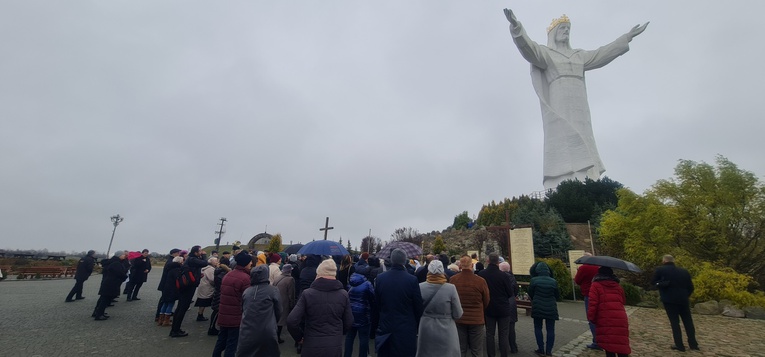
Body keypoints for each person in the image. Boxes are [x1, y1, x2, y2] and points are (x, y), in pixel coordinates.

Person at [503, 9, 649, 190]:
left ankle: (588, 179)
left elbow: (602, 54)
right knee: (563, 135)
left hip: (580, 103)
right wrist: (516, 27)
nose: (566, 32)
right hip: (559, 101)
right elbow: (528, 49)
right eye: (562, 29)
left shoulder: (579, 55)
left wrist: (627, 37)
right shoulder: (547, 54)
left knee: (584, 136)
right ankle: (563, 181)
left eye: (568, 29)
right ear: (554, 34)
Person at [288, 258, 353, 356]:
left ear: (318, 273)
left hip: (311, 344)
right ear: (334, 274)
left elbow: (291, 321)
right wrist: (338, 332)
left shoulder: (307, 294)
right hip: (334, 346)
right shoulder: (343, 294)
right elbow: (349, 321)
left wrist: (299, 337)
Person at [374, 248, 424, 357]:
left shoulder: (380, 278)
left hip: (386, 328)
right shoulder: (412, 280)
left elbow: (377, 304)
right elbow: (418, 306)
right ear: (404, 261)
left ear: (391, 260)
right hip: (406, 329)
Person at [651, 255, 699, 352]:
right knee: (688, 322)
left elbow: (653, 282)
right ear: (673, 261)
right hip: (683, 299)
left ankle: (679, 345)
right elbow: (691, 287)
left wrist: (661, 285)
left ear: (664, 261)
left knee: (674, 322)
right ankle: (693, 344)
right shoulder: (684, 271)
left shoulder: (660, 270)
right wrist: (686, 295)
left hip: (669, 300)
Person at [416, 260, 463, 357]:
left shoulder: (420, 287)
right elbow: (458, 313)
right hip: (446, 327)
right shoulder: (451, 288)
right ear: (442, 271)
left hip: (426, 326)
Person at [236, 264, 282, 357]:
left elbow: (243, 309)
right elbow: (279, 310)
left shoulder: (247, 291)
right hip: (267, 329)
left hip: (247, 330)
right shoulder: (273, 290)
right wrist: (273, 322)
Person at [213, 251, 253, 356]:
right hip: (235, 315)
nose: (251, 264)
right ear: (246, 263)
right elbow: (247, 298)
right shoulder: (245, 278)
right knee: (232, 344)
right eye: (250, 262)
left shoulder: (228, 274)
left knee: (221, 341)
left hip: (224, 313)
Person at [451, 255, 490, 357]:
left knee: (460, 348)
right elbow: (486, 300)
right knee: (477, 349)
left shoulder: (453, 280)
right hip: (476, 319)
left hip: (459, 318)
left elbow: (450, 300)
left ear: (460, 266)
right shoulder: (480, 281)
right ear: (472, 265)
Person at [478, 253, 516, 357]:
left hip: (488, 308)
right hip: (503, 308)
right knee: (503, 334)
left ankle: (491, 355)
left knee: (490, 334)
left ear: (488, 261)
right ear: (498, 262)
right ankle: (504, 354)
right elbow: (510, 292)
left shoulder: (482, 274)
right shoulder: (503, 275)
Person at [588, 266, 630, 357]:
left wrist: (591, 317)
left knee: (609, 345)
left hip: (605, 318)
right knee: (621, 343)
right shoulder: (617, 286)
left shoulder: (595, 285)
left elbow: (593, 303)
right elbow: (623, 300)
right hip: (620, 317)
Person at [170, 245, 208, 337]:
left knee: (180, 307)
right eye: (200, 251)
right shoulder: (192, 259)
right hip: (188, 286)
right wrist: (204, 256)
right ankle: (175, 330)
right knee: (182, 307)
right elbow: (204, 263)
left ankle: (175, 329)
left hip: (186, 285)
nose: (201, 252)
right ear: (195, 252)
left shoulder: (190, 259)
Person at [528, 261, 560, 356]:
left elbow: (530, 293)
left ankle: (540, 348)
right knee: (551, 330)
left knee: (538, 328)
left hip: (538, 306)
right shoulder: (553, 281)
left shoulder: (534, 280)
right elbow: (557, 295)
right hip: (551, 307)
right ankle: (549, 350)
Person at [344, 271, 375, 357]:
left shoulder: (350, 283)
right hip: (364, 313)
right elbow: (373, 298)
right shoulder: (367, 284)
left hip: (351, 312)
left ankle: (347, 355)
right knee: (364, 338)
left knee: (349, 337)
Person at [575, 256, 602, 350]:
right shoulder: (598, 268)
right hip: (600, 294)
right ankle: (602, 340)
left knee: (592, 318)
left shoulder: (583, 268)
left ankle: (596, 342)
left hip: (588, 294)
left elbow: (577, 281)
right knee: (600, 318)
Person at [92, 251, 128, 320]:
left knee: (104, 298)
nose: (124, 256)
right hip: (111, 283)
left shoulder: (115, 262)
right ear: (119, 255)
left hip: (109, 282)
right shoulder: (116, 263)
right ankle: (99, 314)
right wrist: (125, 276)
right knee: (104, 299)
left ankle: (99, 312)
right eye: (123, 255)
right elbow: (119, 273)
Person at [498, 262, 520, 353]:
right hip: (511, 303)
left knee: (502, 328)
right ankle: (513, 347)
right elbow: (515, 291)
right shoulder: (512, 277)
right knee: (511, 328)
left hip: (503, 303)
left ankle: (503, 346)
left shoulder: (500, 277)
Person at [155, 248, 181, 322]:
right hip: (169, 285)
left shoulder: (170, 261)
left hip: (166, 284)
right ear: (174, 253)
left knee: (164, 301)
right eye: (178, 253)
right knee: (166, 301)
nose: (179, 254)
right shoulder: (172, 263)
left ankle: (161, 317)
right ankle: (161, 317)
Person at [158, 256, 184, 327]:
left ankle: (161, 319)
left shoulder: (169, 268)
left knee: (165, 303)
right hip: (172, 288)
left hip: (166, 288)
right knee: (170, 304)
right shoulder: (176, 269)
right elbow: (178, 279)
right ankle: (166, 320)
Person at [273, 263, 296, 344]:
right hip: (284, 301)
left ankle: (276, 336)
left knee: (277, 319)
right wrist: (292, 304)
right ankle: (277, 337)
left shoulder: (278, 277)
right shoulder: (290, 279)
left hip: (276, 300)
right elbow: (291, 294)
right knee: (281, 321)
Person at [208, 255, 231, 336]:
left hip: (217, 292)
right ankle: (212, 328)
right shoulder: (223, 273)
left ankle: (213, 327)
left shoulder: (218, 271)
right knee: (217, 311)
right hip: (220, 293)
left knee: (216, 311)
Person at [195, 257, 218, 322]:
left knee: (202, 302)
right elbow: (212, 279)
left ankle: (200, 314)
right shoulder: (210, 269)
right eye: (215, 261)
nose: (217, 262)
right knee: (204, 302)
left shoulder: (204, 268)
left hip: (203, 286)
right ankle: (200, 315)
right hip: (207, 287)